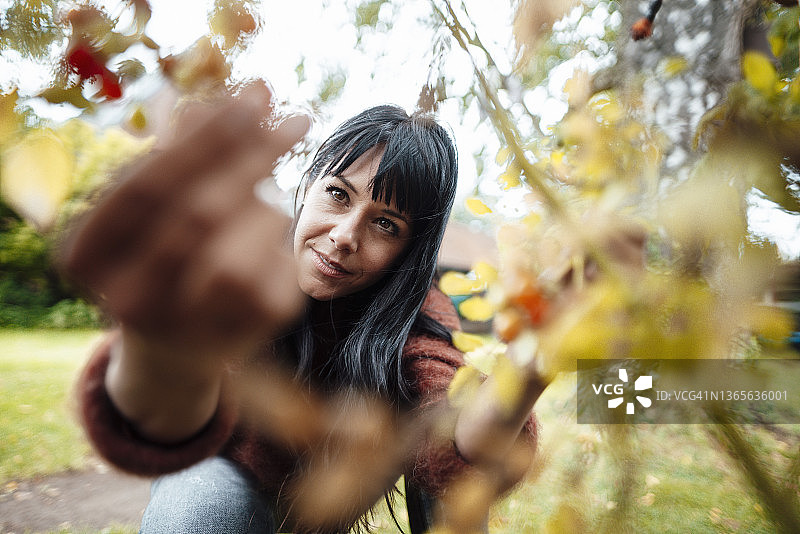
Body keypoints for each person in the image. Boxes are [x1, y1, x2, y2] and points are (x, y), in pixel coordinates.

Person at [60, 85, 541, 533]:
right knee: (203, 498)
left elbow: (453, 434)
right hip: (225, 481)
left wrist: (532, 363)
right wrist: (157, 345)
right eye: (337, 194)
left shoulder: (418, 312)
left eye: (387, 225)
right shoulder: (245, 271)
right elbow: (169, 412)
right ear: (308, 184)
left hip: (325, 504)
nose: (345, 236)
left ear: (409, 250)